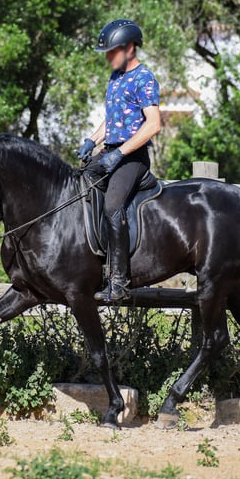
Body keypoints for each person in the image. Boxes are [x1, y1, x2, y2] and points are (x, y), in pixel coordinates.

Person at [77, 19, 162, 302]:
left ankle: (120, 281)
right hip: (111, 152)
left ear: (128, 48)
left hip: (132, 158)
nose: (107, 57)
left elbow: (153, 125)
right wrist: (92, 140)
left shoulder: (144, 78)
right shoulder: (115, 78)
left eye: (111, 51)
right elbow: (112, 120)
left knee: (113, 206)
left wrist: (120, 153)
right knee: (80, 185)